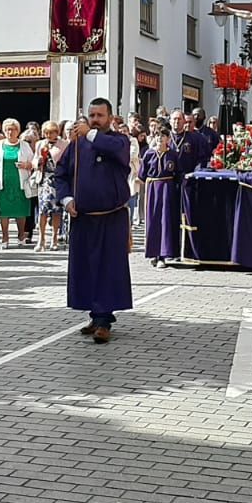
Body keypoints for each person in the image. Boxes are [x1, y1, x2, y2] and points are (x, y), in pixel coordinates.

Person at [55, 98, 133, 342]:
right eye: (92, 115)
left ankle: (104, 320)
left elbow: (110, 148)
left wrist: (90, 134)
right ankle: (95, 314)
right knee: (87, 268)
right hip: (84, 218)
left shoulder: (120, 141)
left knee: (107, 268)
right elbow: (60, 174)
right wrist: (67, 199)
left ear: (110, 117)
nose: (95, 119)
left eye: (100, 115)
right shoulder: (77, 144)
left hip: (111, 218)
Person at [139, 121, 180, 268]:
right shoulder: (149, 154)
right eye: (157, 136)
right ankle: (153, 253)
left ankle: (164, 254)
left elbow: (177, 173)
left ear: (168, 139)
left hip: (167, 189)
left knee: (165, 220)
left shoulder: (173, 155)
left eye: (163, 136)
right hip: (153, 189)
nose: (160, 139)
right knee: (153, 220)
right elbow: (142, 175)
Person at [0, 117, 36, 249]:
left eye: (13, 129)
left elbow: (33, 162)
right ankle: (5, 237)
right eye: (8, 129)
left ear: (18, 131)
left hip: (20, 181)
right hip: (3, 182)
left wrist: (26, 164)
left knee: (20, 210)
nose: (10, 132)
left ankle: (21, 235)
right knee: (4, 211)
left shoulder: (24, 145)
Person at [33, 121, 67, 252]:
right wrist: (38, 161)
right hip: (45, 179)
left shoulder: (64, 144)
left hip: (58, 180)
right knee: (43, 208)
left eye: (51, 132)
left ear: (56, 133)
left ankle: (54, 238)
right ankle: (41, 239)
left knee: (57, 210)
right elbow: (34, 159)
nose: (48, 135)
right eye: (46, 133)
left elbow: (66, 161)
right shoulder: (40, 144)